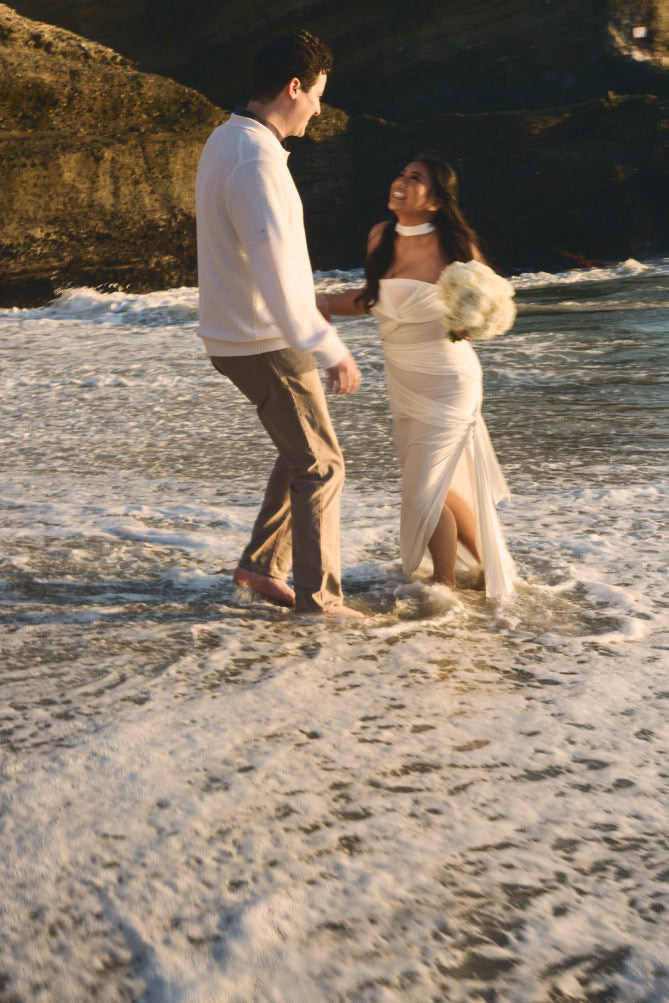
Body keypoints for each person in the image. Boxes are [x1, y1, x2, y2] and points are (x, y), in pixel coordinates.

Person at [195, 30, 362, 616]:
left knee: (301, 453)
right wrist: (329, 345)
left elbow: (265, 259)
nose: (319, 106)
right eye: (317, 93)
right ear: (294, 87)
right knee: (321, 466)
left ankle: (261, 566)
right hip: (262, 337)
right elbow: (271, 271)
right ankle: (320, 603)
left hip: (245, 330)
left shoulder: (229, 139)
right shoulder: (253, 158)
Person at [318, 156, 516, 599]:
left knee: (423, 487)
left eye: (416, 178)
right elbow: (372, 299)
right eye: (401, 174)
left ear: (436, 202)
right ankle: (487, 569)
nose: (401, 182)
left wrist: (474, 321)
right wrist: (324, 304)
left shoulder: (457, 247)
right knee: (436, 484)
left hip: (449, 380)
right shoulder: (380, 237)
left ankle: (442, 588)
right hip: (403, 381)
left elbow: (491, 306)